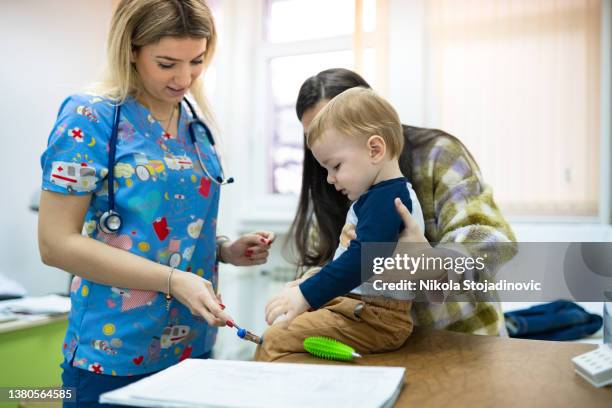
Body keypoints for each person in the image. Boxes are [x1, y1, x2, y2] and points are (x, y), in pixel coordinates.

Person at [37, 1, 273, 405]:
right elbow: (55, 243)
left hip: (193, 345)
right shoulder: (88, 118)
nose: (184, 77)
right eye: (167, 63)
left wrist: (224, 249)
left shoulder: (195, 125)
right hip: (113, 353)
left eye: (197, 61)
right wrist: (171, 280)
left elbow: (169, 226)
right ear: (131, 49)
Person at [281, 68, 516, 340]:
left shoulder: (437, 154)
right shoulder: (333, 180)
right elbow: (329, 260)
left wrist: (433, 263)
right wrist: (314, 283)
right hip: (380, 345)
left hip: (461, 340)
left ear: (372, 140)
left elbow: (494, 240)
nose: (328, 171)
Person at [256, 88, 426, 361]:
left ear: (375, 149)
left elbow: (363, 260)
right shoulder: (378, 197)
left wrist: (306, 294)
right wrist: (309, 283)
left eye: (335, 166)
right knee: (285, 328)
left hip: (376, 317)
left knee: (273, 341)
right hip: (360, 307)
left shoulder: (387, 200)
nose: (329, 179)